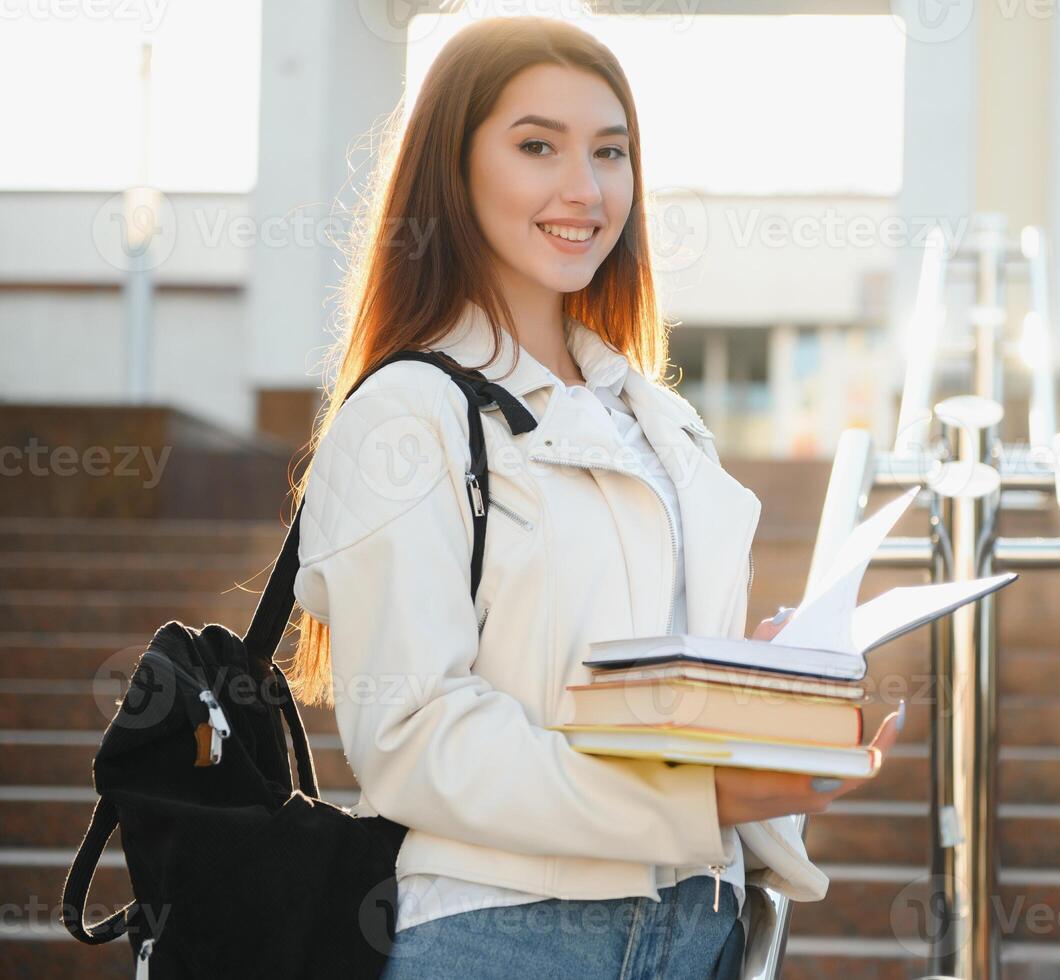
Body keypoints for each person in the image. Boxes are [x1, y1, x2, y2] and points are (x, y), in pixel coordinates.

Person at [285, 16, 902, 980]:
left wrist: (759, 686)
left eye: (610, 153)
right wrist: (701, 795)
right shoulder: (412, 413)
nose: (586, 188)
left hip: (697, 926)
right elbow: (410, 734)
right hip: (502, 934)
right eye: (538, 146)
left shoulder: (650, 418)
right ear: (456, 168)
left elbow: (618, 681)